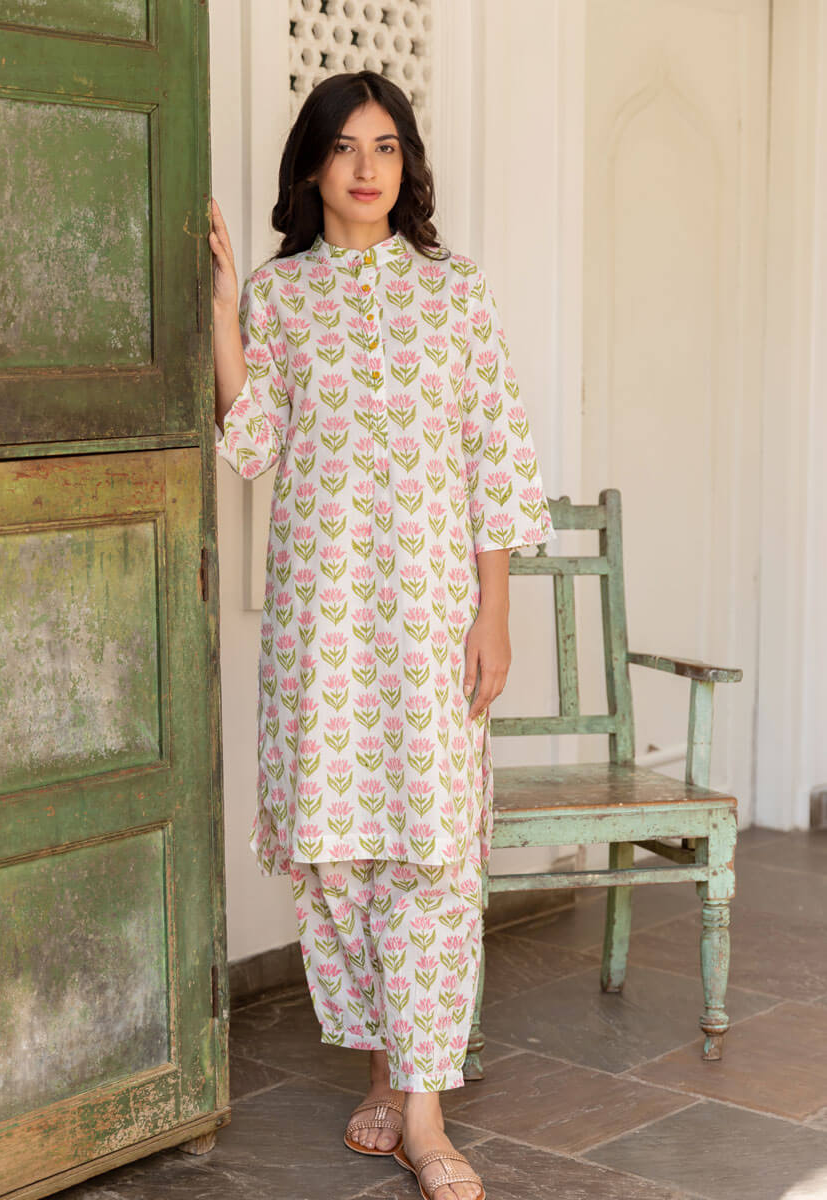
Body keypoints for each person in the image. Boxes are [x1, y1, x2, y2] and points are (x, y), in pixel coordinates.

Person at [209, 70, 554, 1200]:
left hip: (432, 624)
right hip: (321, 628)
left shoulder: (456, 293)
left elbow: (497, 462)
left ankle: (427, 1112)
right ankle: (384, 1074)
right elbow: (253, 446)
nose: (368, 168)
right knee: (341, 856)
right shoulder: (282, 295)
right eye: (346, 147)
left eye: (388, 146)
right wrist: (224, 314)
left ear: (409, 164)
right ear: (312, 166)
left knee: (433, 855)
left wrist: (495, 612)